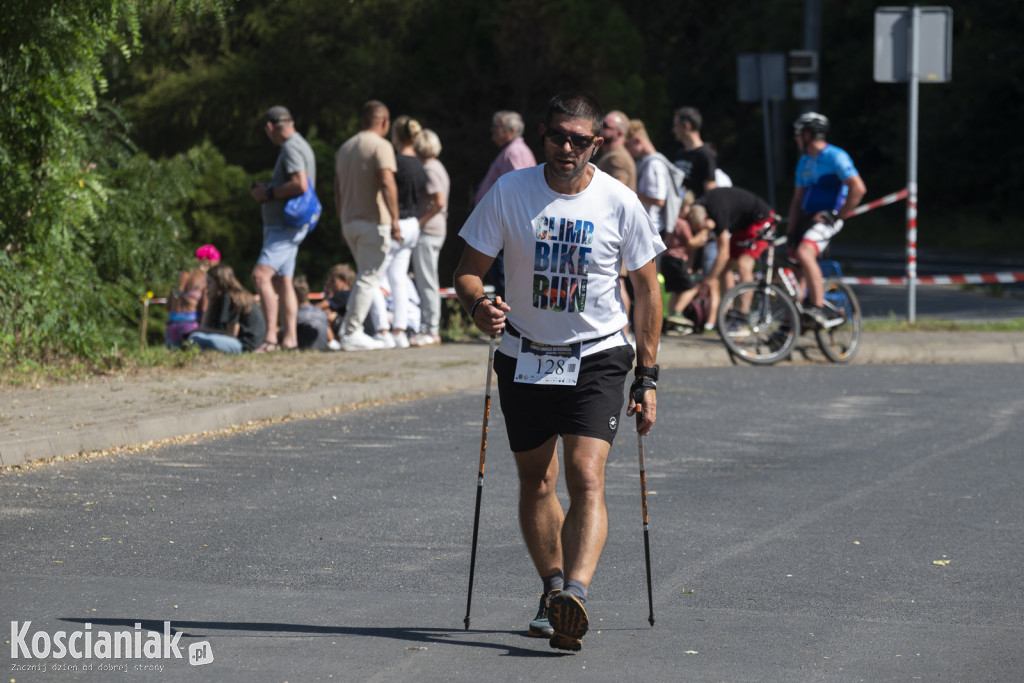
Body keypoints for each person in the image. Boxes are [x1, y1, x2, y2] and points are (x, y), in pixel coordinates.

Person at [454, 90, 663, 653]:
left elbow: (646, 289)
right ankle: (551, 593)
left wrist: (648, 376)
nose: (565, 147)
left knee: (586, 475)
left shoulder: (619, 201)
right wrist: (478, 308)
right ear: (542, 135)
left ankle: (576, 594)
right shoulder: (510, 191)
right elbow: (468, 272)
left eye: (578, 139)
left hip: (598, 354)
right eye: (556, 136)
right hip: (524, 354)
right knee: (536, 480)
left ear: (597, 143)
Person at [333, 100, 401, 351]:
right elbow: (387, 182)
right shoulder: (381, 146)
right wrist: (395, 219)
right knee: (368, 277)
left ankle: (349, 330)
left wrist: (342, 221)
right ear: (384, 122)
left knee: (365, 276)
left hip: (350, 221)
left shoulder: (345, 147)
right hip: (374, 221)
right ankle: (352, 331)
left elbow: (337, 190)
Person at [787, 112, 866, 326]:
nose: (795, 138)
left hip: (827, 219)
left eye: (798, 134)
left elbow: (858, 188)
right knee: (793, 262)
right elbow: (797, 200)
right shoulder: (804, 161)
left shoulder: (835, 156)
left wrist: (838, 215)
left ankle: (818, 307)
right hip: (806, 217)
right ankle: (793, 322)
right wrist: (790, 232)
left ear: (809, 134)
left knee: (805, 252)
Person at [249, 106, 316, 353]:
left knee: (260, 276)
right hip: (291, 225)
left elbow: (299, 183)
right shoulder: (301, 144)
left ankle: (270, 340)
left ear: (270, 127)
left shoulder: (290, 147)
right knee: (283, 280)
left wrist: (266, 193)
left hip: (283, 226)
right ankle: (289, 340)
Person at [369, 115, 428, 349]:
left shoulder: (395, 160)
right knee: (399, 279)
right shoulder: (420, 164)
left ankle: (383, 329)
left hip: (396, 223)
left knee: (372, 277)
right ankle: (400, 331)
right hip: (413, 223)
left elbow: (387, 187)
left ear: (396, 135)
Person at [686, 187, 777, 333]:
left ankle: (742, 316)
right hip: (742, 227)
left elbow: (723, 254)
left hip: (761, 219)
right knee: (725, 268)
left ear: (706, 218)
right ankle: (728, 312)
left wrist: (709, 279)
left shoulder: (717, 211)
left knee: (743, 265)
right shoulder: (698, 206)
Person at [474, 111, 537, 300]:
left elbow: (518, 189)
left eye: (497, 126)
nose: (492, 130)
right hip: (504, 227)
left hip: (505, 230)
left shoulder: (515, 152)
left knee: (504, 280)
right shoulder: (513, 151)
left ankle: (508, 324)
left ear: (510, 130)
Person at [410, 128, 450, 346]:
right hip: (437, 229)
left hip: (429, 231)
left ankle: (430, 329)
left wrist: (420, 221)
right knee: (429, 279)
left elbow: (439, 201)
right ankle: (429, 327)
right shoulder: (438, 166)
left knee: (427, 281)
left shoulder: (428, 169)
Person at [187, 263, 267, 354]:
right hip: (251, 343)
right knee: (198, 336)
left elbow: (231, 333)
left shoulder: (230, 297)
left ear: (219, 282)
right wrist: (210, 301)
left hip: (246, 345)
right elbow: (206, 325)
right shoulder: (233, 295)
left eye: (209, 282)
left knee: (194, 338)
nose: (206, 287)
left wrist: (201, 330)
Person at [625, 119, 685, 236]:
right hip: (646, 227)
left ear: (637, 141)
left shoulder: (655, 164)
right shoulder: (644, 162)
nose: (628, 151)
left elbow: (659, 200)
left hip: (653, 229)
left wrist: (631, 193)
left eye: (628, 145)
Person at [166, 244, 220, 348]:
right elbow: (204, 308)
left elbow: (168, 306)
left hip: (172, 323)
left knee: (171, 361)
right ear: (209, 261)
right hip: (192, 324)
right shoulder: (205, 278)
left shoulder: (179, 274)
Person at [670, 106, 717, 199]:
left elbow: (710, 191)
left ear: (687, 126)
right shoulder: (679, 153)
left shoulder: (705, 154)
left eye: (676, 126)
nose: (673, 130)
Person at [318, 263, 356, 349]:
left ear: (345, 281)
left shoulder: (344, 294)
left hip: (344, 325)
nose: (331, 284)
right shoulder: (350, 294)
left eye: (333, 281)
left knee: (326, 316)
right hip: (345, 324)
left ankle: (332, 342)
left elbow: (322, 305)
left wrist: (306, 309)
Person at [596, 110, 636, 191]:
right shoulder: (612, 154)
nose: (600, 128)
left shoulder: (617, 157)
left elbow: (618, 191)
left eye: (605, 125)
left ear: (620, 133)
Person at [293, 275, 329, 350]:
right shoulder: (321, 313)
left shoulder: (296, 316)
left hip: (305, 351)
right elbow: (330, 336)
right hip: (322, 351)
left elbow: (280, 336)